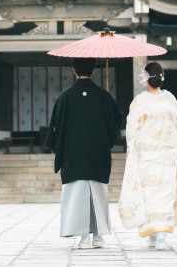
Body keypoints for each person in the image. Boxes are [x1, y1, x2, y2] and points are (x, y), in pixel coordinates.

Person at [44, 57, 122, 249]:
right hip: (97, 155)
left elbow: (55, 127)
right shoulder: (104, 96)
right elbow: (116, 125)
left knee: (77, 193)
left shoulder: (65, 96)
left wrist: (60, 150)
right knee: (97, 193)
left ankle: (83, 238)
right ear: (94, 70)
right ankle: (97, 236)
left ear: (74, 69)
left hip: (73, 155)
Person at [118, 61, 177, 250]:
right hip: (166, 154)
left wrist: (132, 147)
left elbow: (131, 126)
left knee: (149, 195)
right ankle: (160, 237)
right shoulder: (170, 99)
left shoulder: (140, 101)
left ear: (146, 79)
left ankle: (153, 233)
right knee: (164, 194)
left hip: (146, 156)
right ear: (161, 78)